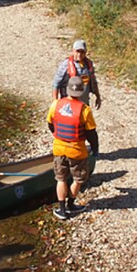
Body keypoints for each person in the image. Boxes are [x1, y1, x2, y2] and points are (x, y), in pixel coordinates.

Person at [47, 76, 99, 220]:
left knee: (61, 179)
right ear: (81, 91)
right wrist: (95, 149)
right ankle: (71, 205)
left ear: (67, 89)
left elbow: (50, 124)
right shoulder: (85, 110)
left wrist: (57, 136)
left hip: (58, 149)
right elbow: (91, 134)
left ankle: (62, 210)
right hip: (77, 151)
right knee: (78, 179)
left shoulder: (55, 104)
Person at [52, 39, 102, 110]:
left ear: (85, 52)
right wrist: (55, 102)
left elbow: (94, 82)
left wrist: (98, 97)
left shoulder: (89, 65)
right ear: (73, 51)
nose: (79, 54)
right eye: (77, 51)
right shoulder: (66, 65)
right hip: (68, 105)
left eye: (82, 52)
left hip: (84, 103)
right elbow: (56, 84)